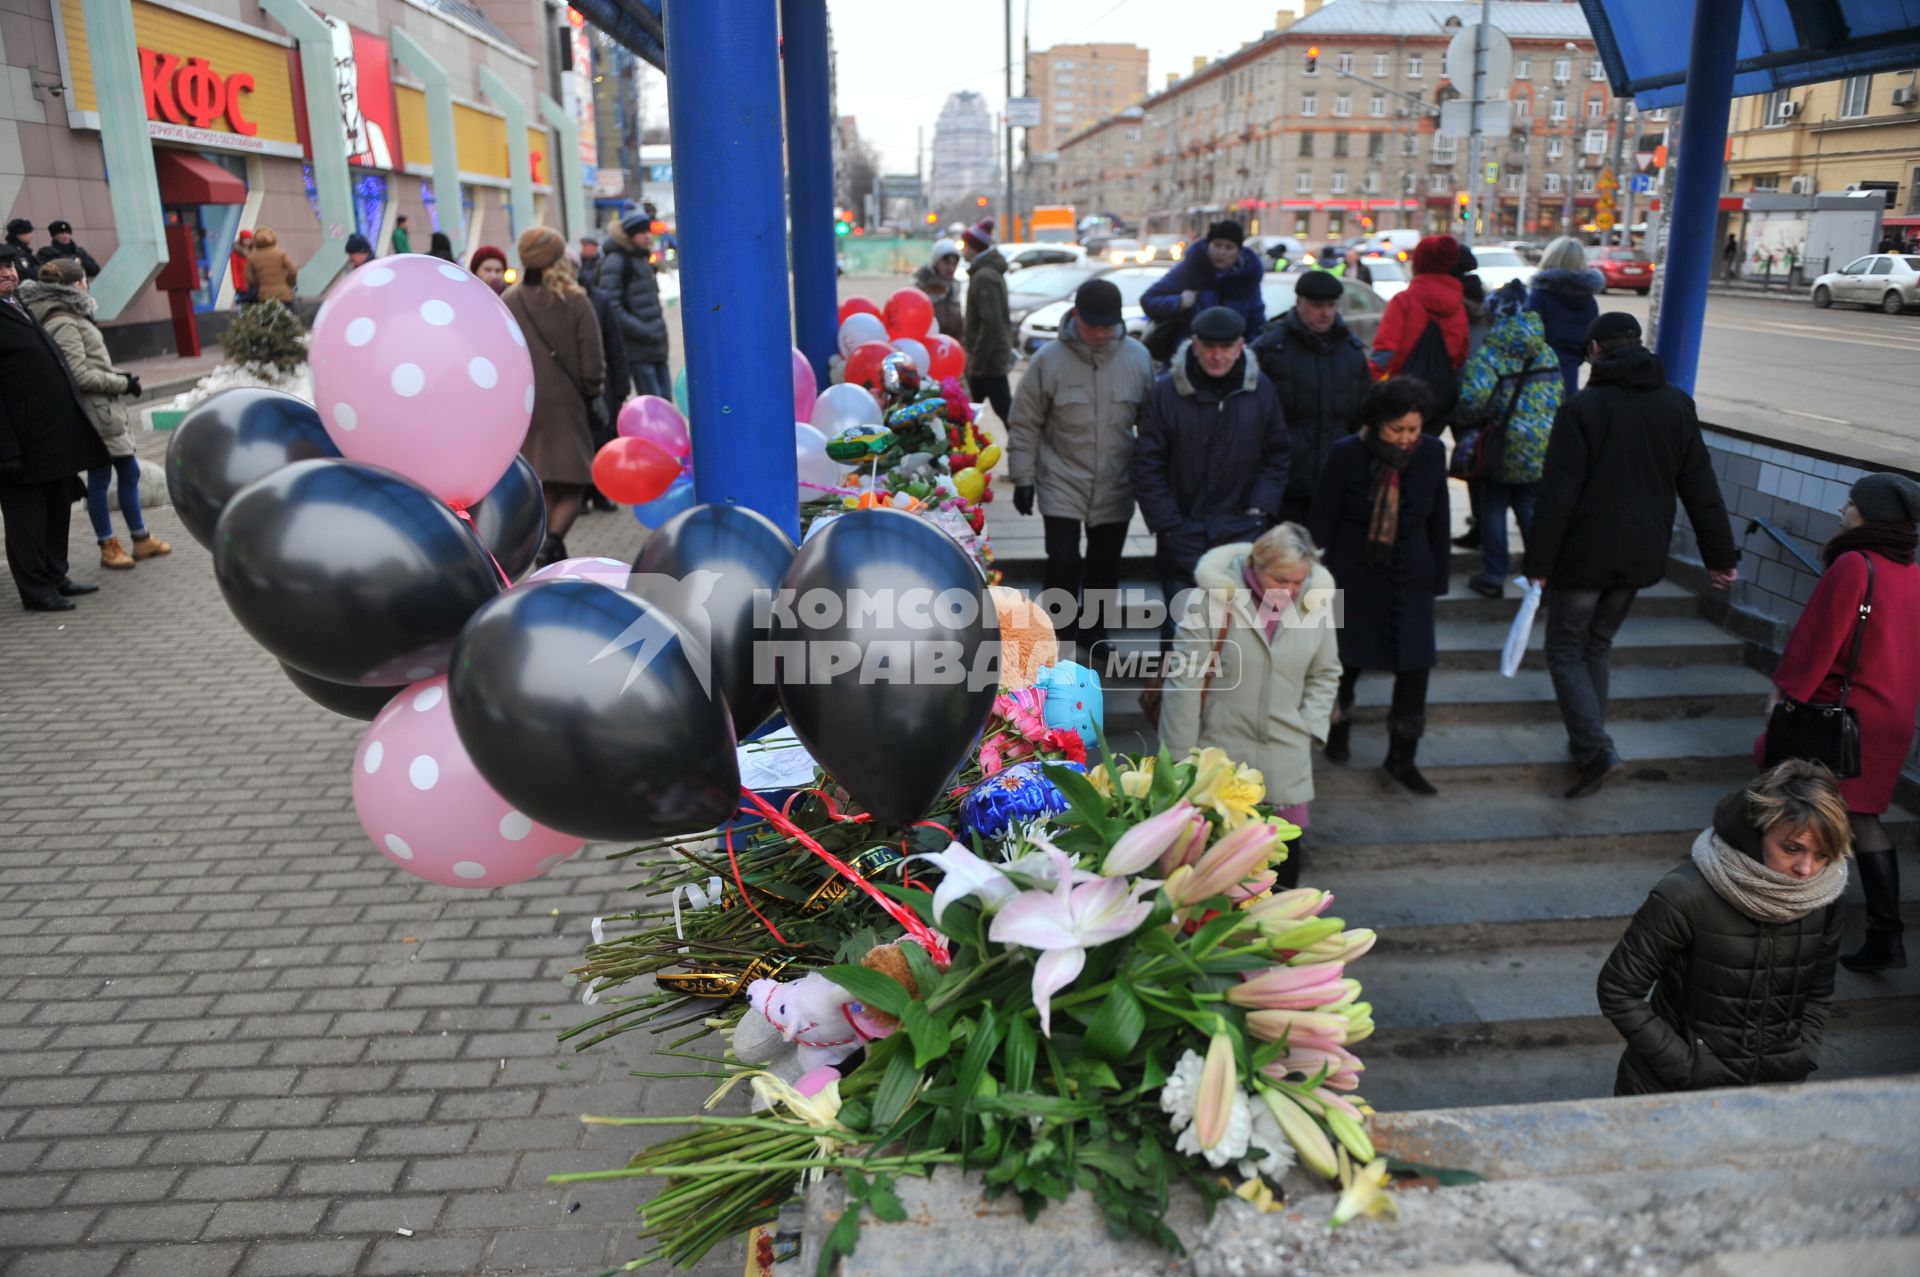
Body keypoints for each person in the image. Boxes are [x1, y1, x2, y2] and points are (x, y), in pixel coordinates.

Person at [1525, 313, 1738, 799]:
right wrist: (1719, 556)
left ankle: (1596, 749)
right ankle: (1590, 745)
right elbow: (1701, 487)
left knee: (1564, 647)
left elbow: (1557, 496)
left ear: (1596, 350)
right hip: (1640, 552)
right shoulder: (1676, 406)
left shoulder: (1582, 409)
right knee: (1597, 645)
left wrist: (1538, 564)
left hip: (1583, 555)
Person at [1598, 760, 1850, 1096]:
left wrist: (1802, 1053)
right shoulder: (1685, 893)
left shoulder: (1825, 895)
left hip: (1773, 1091)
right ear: (1758, 831)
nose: (1807, 869)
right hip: (1673, 1092)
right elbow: (1618, 990)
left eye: (1822, 854)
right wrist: (1686, 1067)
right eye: (1791, 848)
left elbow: (1818, 991)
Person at [1764, 473, 1920, 973]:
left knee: (1802, 811)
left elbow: (1818, 639)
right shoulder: (1911, 572)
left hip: (1840, 713)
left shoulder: (1855, 563)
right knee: (1865, 817)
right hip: (1890, 716)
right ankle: (1886, 937)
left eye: (1850, 504)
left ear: (1870, 516)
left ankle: (1796, 932)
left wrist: (1784, 694)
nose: (1841, 511)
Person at [1158, 522, 1342, 889]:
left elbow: (1326, 673)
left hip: (1286, 755)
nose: (1290, 591)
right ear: (1255, 566)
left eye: (1298, 581)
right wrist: (1179, 761)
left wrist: (1310, 725)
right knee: (1217, 874)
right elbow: (1185, 682)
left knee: (1280, 877)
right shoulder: (1210, 600)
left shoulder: (1314, 601)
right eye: (1280, 579)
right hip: (1221, 756)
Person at [1309, 377, 1450, 795]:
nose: (1407, 439)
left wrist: (1438, 578)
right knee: (1344, 662)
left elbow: (1439, 517)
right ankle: (1337, 730)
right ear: (1377, 423)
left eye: (1414, 429)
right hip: (1352, 574)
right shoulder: (1346, 454)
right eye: (1397, 430)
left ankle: (1402, 757)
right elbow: (1321, 521)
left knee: (1415, 666)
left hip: (1411, 576)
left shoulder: (1432, 453)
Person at [1006, 278, 1154, 659]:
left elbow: (1154, 425)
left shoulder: (1137, 359)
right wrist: (1023, 478)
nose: (1101, 334)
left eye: (1108, 326)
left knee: (1105, 566)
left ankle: (1095, 633)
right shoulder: (1048, 361)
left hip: (1115, 482)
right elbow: (1025, 422)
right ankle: (1054, 633)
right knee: (1063, 561)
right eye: (1093, 326)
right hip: (1061, 479)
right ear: (1076, 317)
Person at [1131, 306, 1290, 624]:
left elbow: (1278, 454)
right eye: (1209, 347)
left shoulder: (1261, 390)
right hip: (1182, 530)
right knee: (1181, 633)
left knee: (1238, 634)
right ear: (1194, 344)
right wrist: (1169, 524)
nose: (1218, 356)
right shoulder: (1166, 393)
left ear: (1240, 345)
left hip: (1243, 527)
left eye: (1226, 348)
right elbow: (1147, 463)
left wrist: (1258, 510)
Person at [22, 257, 170, 571]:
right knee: (101, 478)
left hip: (106, 410)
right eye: (85, 279)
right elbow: (77, 374)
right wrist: (122, 383)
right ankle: (108, 544)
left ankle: (140, 538)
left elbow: (94, 364)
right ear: (77, 284)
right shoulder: (63, 320)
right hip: (95, 413)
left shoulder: (75, 314)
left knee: (128, 472)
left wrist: (121, 377)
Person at [0, 245, 112, 611]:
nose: (8, 272)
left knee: (56, 509)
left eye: (9, 265)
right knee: (26, 520)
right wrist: (6, 448)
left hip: (51, 438)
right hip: (22, 443)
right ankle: (35, 590)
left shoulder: (17, 305)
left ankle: (55, 573)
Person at [502, 226, 604, 566]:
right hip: (567, 403)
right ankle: (552, 544)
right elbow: (592, 362)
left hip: (526, 405)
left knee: (544, 480)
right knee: (574, 484)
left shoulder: (509, 301)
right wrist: (594, 392)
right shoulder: (575, 300)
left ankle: (548, 546)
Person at [1454, 281, 1562, 597]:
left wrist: (1466, 422)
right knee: (1529, 507)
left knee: (1493, 508)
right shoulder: (1546, 351)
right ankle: (1538, 576)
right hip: (1540, 445)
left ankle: (1493, 577)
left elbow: (1472, 402)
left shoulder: (1489, 355)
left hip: (1499, 447)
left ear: (1493, 316)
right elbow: (1558, 395)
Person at [1249, 269, 1370, 526]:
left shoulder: (1351, 352)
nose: (1325, 313)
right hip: (1284, 480)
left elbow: (1362, 414)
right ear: (1299, 303)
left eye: (1330, 305)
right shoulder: (1271, 348)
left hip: (1335, 477)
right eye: (1317, 306)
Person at [1140, 220, 1267, 350]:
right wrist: (1179, 302)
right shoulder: (1189, 269)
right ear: (1208, 245)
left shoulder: (1247, 278)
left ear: (1238, 251)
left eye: (1229, 247)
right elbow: (1148, 299)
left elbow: (1257, 323)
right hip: (1189, 356)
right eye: (1217, 245)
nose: (1222, 252)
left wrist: (1246, 353)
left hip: (1231, 359)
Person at [572, 244, 630, 513]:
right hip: (573, 385)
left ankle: (601, 492)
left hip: (602, 382)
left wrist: (620, 387)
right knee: (582, 443)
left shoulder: (599, 299)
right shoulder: (561, 302)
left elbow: (615, 344)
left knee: (603, 440)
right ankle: (583, 494)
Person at [1368, 234, 1468, 384]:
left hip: (1403, 391)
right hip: (1442, 393)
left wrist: (1370, 380)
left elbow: (1386, 352)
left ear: (1418, 264)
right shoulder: (1457, 307)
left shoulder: (1403, 302)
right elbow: (1461, 354)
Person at [599, 211, 671, 399]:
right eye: (642, 233)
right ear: (630, 236)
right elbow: (612, 306)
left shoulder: (641, 258)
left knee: (664, 403)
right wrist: (643, 331)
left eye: (648, 232)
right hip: (639, 346)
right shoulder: (617, 260)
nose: (648, 236)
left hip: (655, 344)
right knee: (654, 405)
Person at [1525, 236, 1604, 399]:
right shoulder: (1589, 301)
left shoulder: (1539, 297)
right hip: (1570, 373)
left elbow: (1527, 338)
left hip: (1535, 375)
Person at [960, 219, 1014, 427]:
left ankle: (1024, 449)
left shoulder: (984, 276)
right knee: (970, 411)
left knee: (1001, 409)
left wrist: (978, 362)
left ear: (973, 247)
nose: (963, 251)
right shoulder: (985, 272)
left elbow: (990, 322)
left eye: (965, 245)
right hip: (989, 358)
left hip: (988, 361)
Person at [913, 238, 965, 339]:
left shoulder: (954, 285)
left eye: (954, 264)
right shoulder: (923, 286)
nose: (951, 268)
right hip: (930, 342)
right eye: (946, 263)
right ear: (936, 262)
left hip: (952, 342)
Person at [244, 227, 298, 304]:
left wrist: (260, 285)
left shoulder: (252, 257)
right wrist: (288, 283)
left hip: (264, 295)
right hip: (284, 294)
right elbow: (293, 270)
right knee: (289, 315)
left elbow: (248, 277)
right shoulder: (281, 254)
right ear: (273, 239)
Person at [35, 220, 102, 278]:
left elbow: (95, 270)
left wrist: (81, 260)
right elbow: (42, 273)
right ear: (54, 236)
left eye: (67, 233)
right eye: (62, 233)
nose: (66, 236)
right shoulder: (46, 252)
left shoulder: (80, 252)